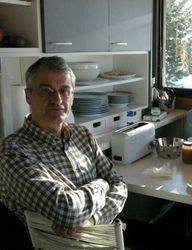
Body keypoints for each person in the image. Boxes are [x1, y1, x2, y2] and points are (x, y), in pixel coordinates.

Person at [0, 56, 128, 247]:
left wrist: (93, 221)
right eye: (46, 90)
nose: (57, 99)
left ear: (72, 97)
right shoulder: (12, 151)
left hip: (103, 243)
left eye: (64, 90)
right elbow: (67, 210)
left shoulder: (82, 135)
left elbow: (119, 184)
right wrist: (101, 184)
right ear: (28, 96)